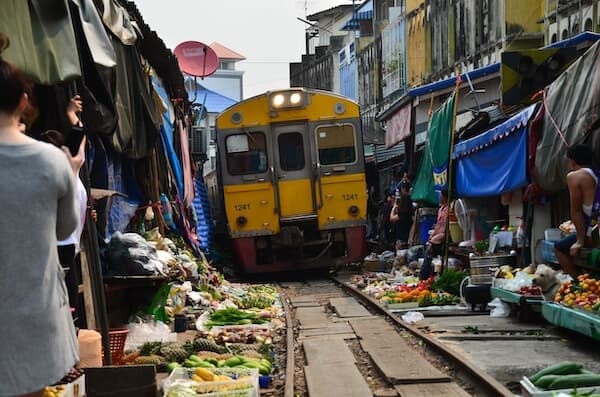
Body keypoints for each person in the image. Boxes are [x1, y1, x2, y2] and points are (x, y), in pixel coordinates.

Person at [0, 34, 81, 397]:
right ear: (23, 102)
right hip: (35, 318)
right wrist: (74, 171)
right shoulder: (51, 161)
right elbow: (65, 230)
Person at [41, 95, 89, 327]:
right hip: (60, 248)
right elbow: (79, 137)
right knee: (68, 305)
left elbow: (80, 140)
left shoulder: (73, 168)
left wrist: (73, 115)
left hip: (69, 246)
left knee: (69, 304)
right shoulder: (62, 170)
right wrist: (71, 114)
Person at [555, 144, 599, 278]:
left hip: (595, 233)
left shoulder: (574, 176)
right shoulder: (596, 174)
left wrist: (579, 241)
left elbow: (576, 211)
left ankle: (580, 282)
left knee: (559, 248)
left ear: (572, 161)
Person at [419, 190, 449, 279]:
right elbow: (438, 225)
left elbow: (444, 226)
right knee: (427, 248)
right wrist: (432, 236)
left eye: (441, 195)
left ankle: (424, 276)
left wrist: (434, 238)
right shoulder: (441, 209)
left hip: (443, 235)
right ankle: (426, 274)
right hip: (438, 234)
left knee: (429, 250)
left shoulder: (448, 209)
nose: (439, 197)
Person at [390, 180, 414, 248]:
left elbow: (391, 218)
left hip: (400, 237)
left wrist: (394, 207)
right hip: (408, 237)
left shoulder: (401, 214)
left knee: (400, 255)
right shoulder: (410, 211)